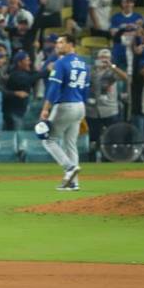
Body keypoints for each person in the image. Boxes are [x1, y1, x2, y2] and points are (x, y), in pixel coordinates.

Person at [37, 34, 89, 191]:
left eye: (61, 42)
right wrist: (83, 112)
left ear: (71, 44)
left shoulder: (60, 63)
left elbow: (54, 88)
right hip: (79, 105)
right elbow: (86, 90)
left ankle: (69, 168)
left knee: (48, 140)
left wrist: (46, 108)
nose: (57, 45)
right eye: (57, 43)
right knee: (70, 144)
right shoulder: (84, 64)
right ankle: (73, 182)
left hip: (65, 105)